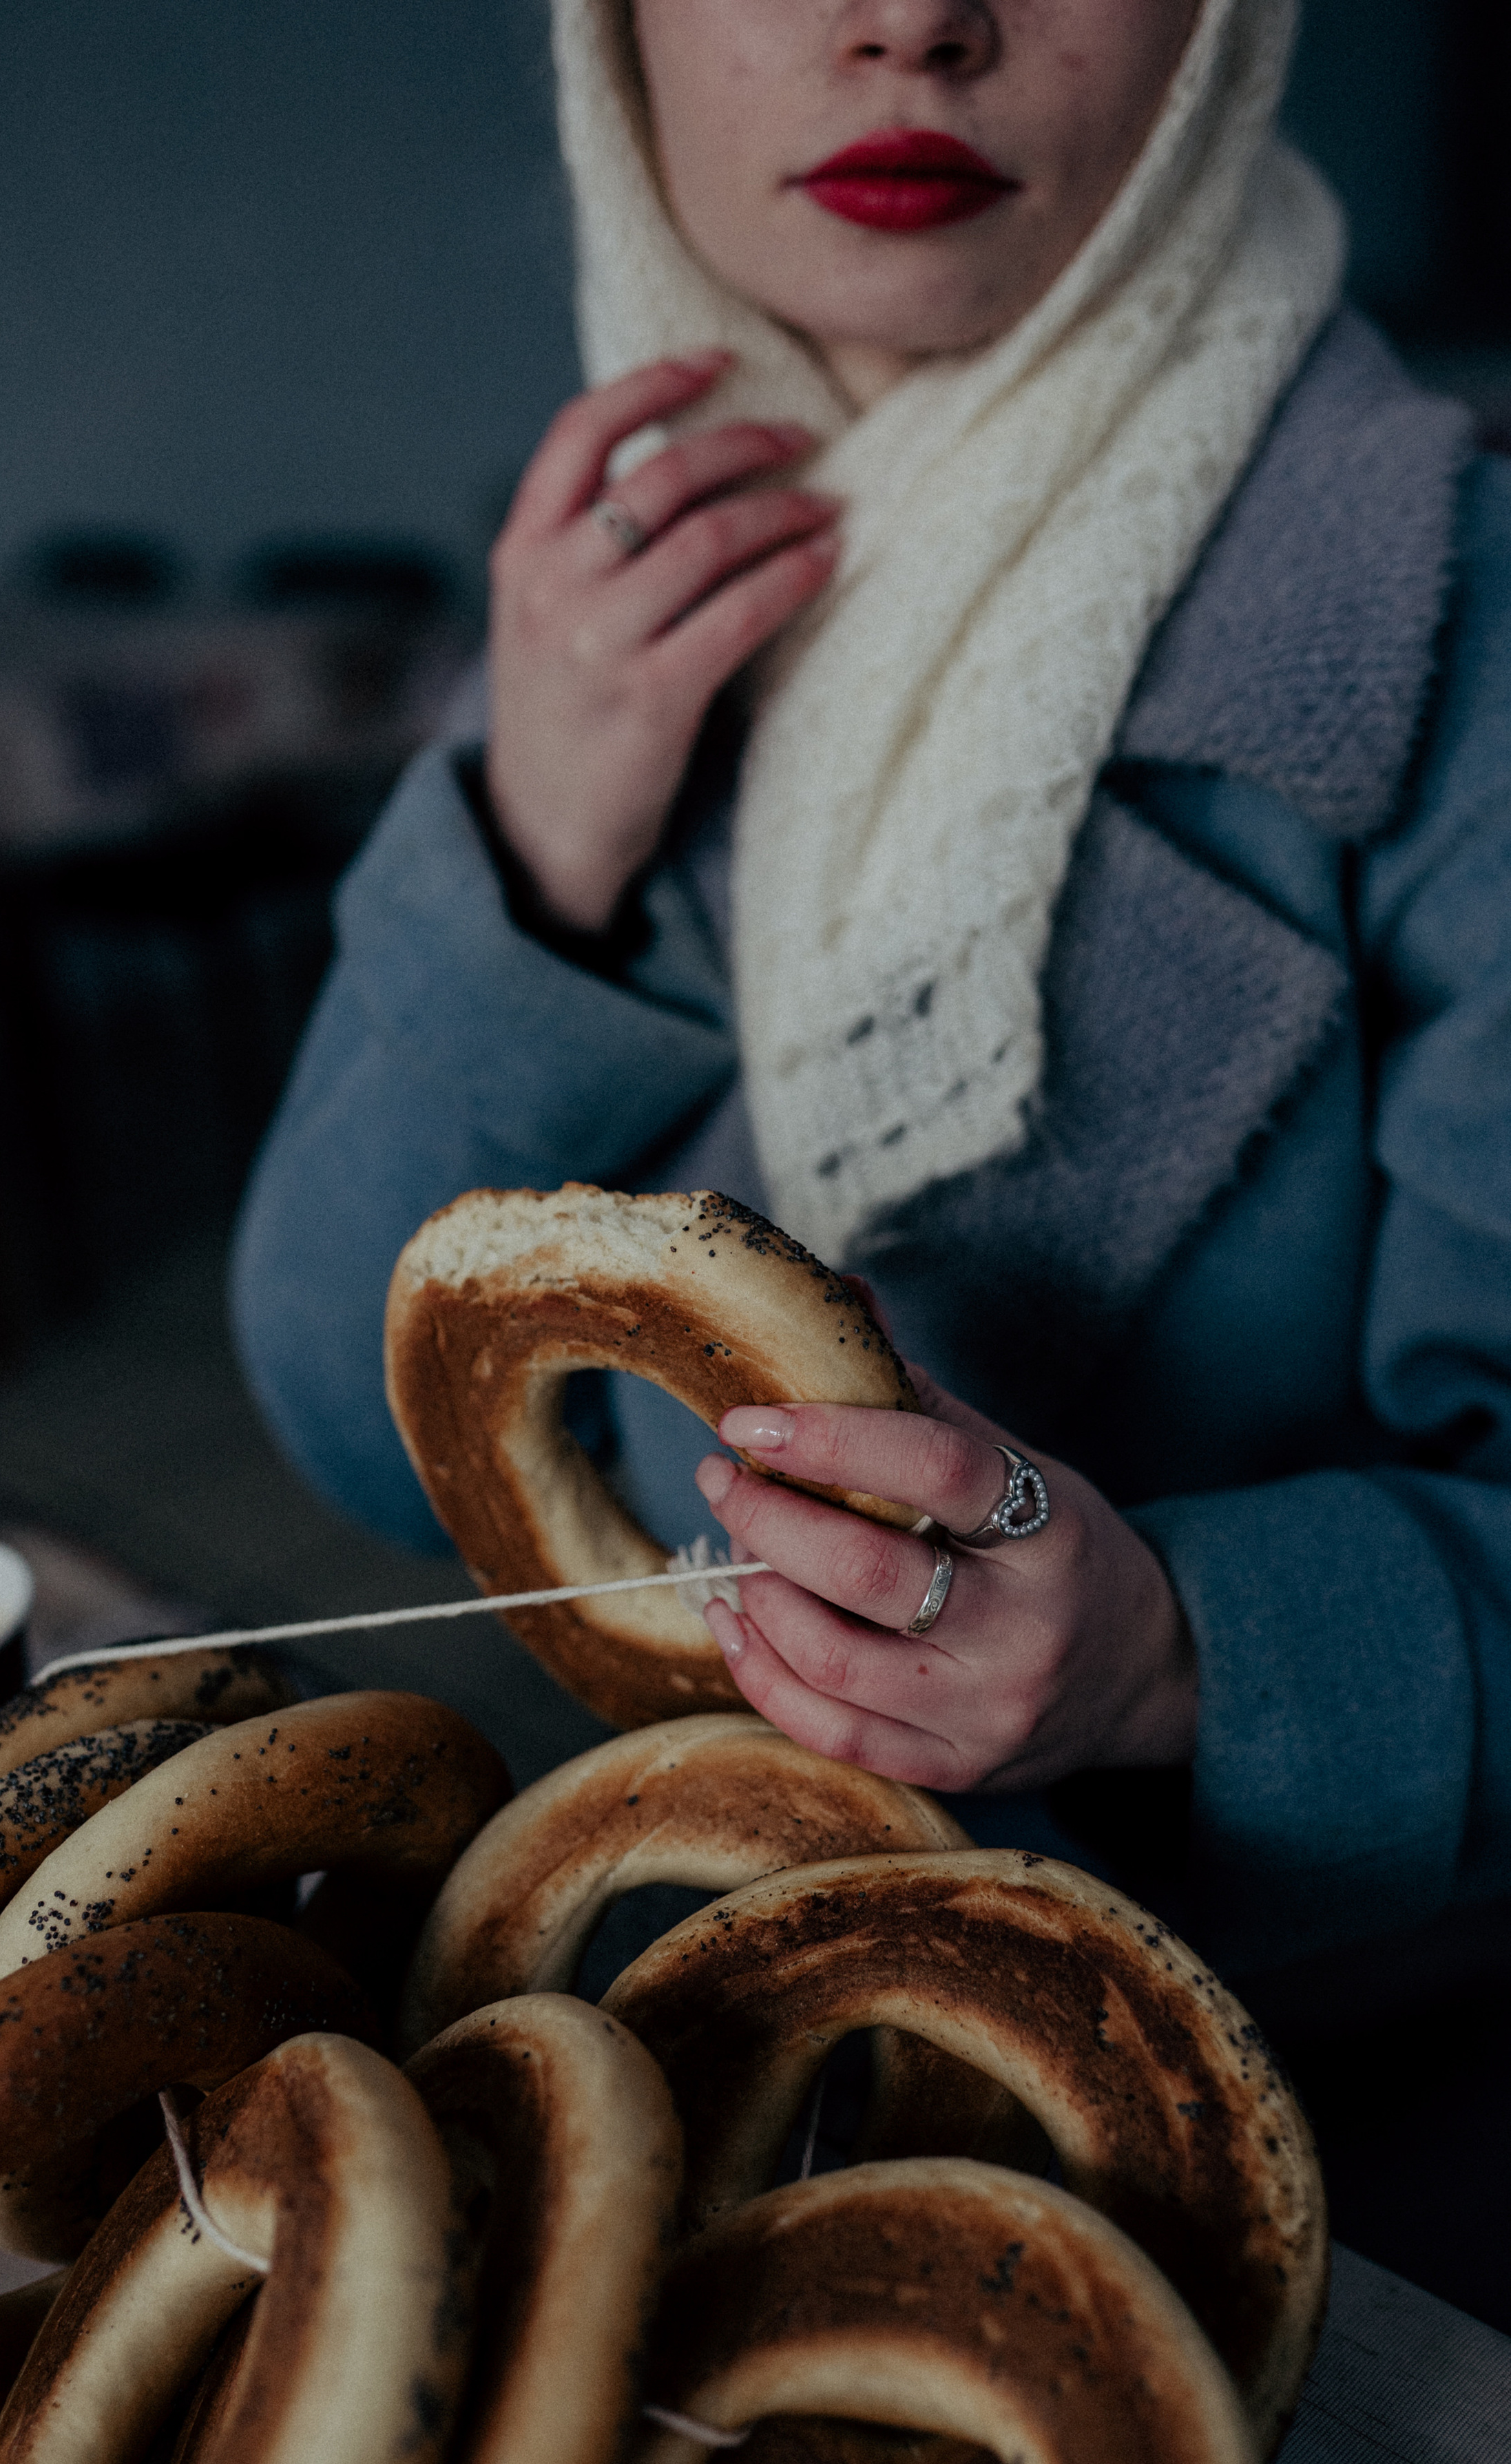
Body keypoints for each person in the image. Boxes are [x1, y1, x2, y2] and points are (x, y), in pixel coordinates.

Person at [233, 0, 1511, 1985]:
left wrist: (1178, 1652)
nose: (915, 17)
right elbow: (352, 1411)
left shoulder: (1459, 633)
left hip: (1337, 2095)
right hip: (713, 1977)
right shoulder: (599, 608)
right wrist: (536, 855)